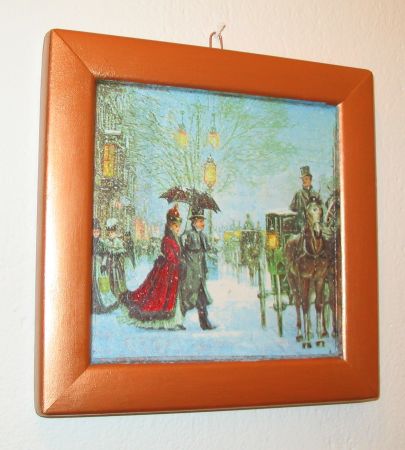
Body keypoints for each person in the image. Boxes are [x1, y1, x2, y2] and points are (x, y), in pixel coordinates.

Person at [120, 205, 185, 330]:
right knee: (162, 297)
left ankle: (174, 321)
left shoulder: (176, 239)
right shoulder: (167, 239)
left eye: (178, 226)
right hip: (167, 272)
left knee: (173, 298)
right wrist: (179, 260)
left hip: (174, 272)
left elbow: (176, 254)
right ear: (170, 226)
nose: (177, 229)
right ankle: (165, 322)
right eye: (175, 226)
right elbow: (170, 256)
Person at [180, 207, 215, 330]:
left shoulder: (203, 235)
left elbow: (207, 249)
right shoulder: (188, 235)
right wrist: (183, 239)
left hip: (199, 274)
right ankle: (177, 322)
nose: (203, 223)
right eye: (200, 221)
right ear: (194, 222)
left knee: (201, 301)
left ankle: (205, 323)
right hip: (190, 275)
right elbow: (181, 250)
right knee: (186, 300)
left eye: (203, 221)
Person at [92, 218, 119, 313]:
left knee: (101, 285)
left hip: (99, 267)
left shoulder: (102, 243)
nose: (96, 233)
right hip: (91, 267)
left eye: (97, 231)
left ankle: (102, 304)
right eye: (94, 231)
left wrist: (103, 264)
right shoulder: (88, 242)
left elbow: (106, 254)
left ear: (100, 232)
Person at [289, 166, 322, 230]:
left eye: (306, 179)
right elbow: (292, 207)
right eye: (303, 179)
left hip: (315, 223)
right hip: (301, 223)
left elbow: (321, 207)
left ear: (310, 180)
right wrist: (300, 211)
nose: (304, 181)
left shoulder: (316, 194)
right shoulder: (298, 194)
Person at [102, 218, 127, 300]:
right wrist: (103, 264)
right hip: (109, 264)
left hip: (116, 264)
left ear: (115, 232)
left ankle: (120, 294)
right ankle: (112, 294)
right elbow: (105, 254)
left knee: (118, 279)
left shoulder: (118, 241)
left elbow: (123, 250)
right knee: (110, 279)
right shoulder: (106, 242)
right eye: (109, 232)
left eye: (112, 232)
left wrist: (116, 252)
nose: (110, 234)